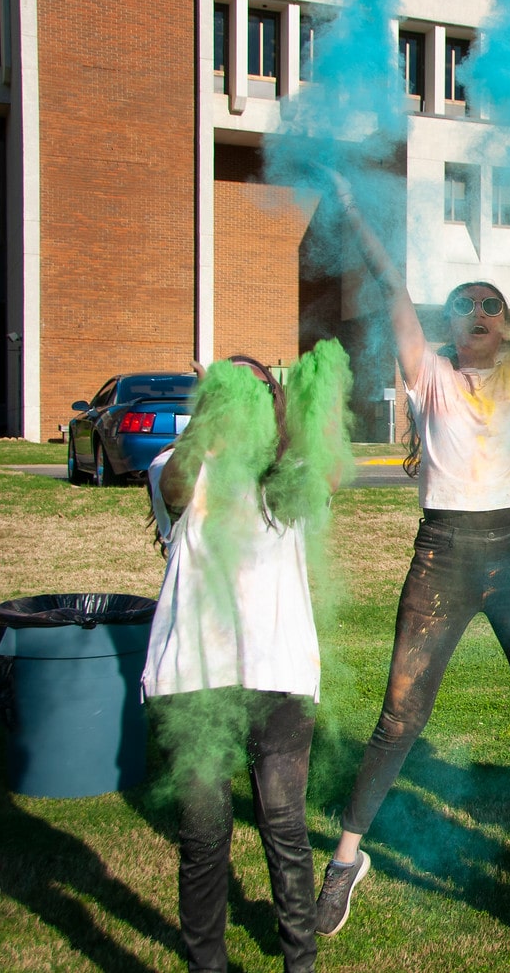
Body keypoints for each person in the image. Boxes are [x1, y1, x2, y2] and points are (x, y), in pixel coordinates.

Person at [313, 171, 510, 935]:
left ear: (507, 325)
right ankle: (346, 859)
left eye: (491, 305)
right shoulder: (430, 377)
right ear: (446, 325)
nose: (478, 311)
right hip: (443, 554)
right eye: (463, 303)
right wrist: (349, 207)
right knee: (399, 714)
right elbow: (390, 285)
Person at [143, 345, 351, 973]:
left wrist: (310, 399)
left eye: (256, 389)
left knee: (284, 828)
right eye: (228, 390)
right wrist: (210, 414)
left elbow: (326, 475)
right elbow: (176, 489)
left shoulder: (288, 475)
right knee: (204, 837)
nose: (242, 399)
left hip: (278, 674)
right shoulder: (177, 466)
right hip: (193, 675)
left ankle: (299, 963)